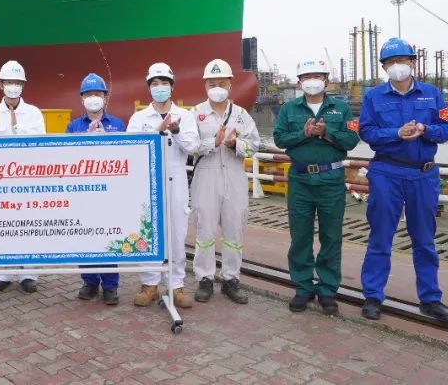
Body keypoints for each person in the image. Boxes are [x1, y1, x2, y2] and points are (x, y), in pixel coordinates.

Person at [359, 37, 448, 323]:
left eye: (402, 60)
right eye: (391, 62)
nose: (397, 66)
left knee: (424, 238)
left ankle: (430, 298)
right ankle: (373, 296)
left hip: (423, 174)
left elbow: (446, 130)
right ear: (384, 68)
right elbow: (366, 132)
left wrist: (425, 128)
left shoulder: (432, 94)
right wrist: (396, 134)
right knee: (380, 235)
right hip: (386, 172)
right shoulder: (373, 97)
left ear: (413, 63)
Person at [273, 56, 359, 315]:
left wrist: (326, 133)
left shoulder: (341, 109)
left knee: (331, 236)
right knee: (300, 235)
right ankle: (303, 287)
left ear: (326, 81)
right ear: (299, 82)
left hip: (331, 179)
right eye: (307, 77)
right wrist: (304, 133)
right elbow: (279, 139)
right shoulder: (289, 109)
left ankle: (327, 289)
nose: (312, 81)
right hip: (300, 180)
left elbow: (352, 139)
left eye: (317, 77)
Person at [126, 62, 200, 309]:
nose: (160, 87)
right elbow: (131, 149)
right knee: (147, 232)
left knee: (177, 232)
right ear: (149, 87)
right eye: (155, 83)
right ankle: (149, 284)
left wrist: (176, 132)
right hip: (147, 180)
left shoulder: (185, 116)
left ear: (172, 86)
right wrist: (156, 133)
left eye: (164, 83)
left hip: (176, 179)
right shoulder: (138, 118)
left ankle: (176, 285)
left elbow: (193, 146)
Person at [190, 59, 260, 305]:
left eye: (222, 83)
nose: (217, 87)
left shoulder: (241, 115)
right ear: (205, 86)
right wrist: (214, 142)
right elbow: (189, 146)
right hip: (205, 176)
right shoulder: (194, 114)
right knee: (205, 230)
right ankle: (205, 278)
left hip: (234, 175)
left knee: (234, 230)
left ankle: (231, 279)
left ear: (230, 84)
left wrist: (235, 144)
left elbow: (254, 145)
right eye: (212, 84)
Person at [0, 60, 47, 293]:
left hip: (27, 179)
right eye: (9, 82)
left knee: (29, 225)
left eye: (17, 82)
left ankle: (29, 273)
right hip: (0, 180)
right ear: (0, 84)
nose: (13, 86)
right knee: (0, 225)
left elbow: (39, 142)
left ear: (23, 85)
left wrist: (16, 128)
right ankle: (2, 273)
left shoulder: (34, 113)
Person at [66, 72, 125, 305]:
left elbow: (126, 156)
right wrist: (85, 141)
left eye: (97, 94)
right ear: (82, 98)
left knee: (109, 236)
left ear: (105, 97)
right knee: (84, 236)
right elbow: (66, 158)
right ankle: (89, 282)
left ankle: (110, 286)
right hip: (82, 192)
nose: (93, 98)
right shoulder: (73, 126)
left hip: (110, 192)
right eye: (88, 94)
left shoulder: (117, 124)